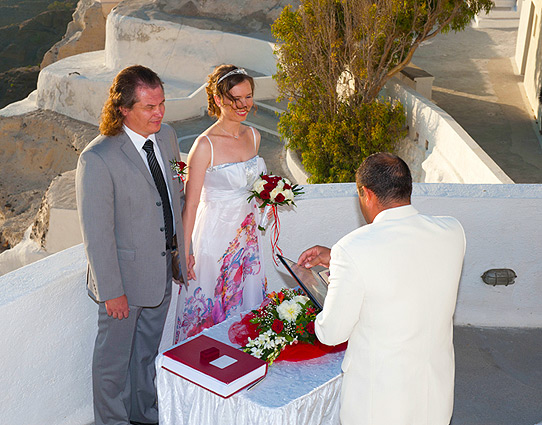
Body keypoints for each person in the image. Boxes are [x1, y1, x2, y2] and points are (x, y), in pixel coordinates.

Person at [298, 152, 466, 425]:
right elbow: (409, 264)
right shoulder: (452, 231)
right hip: (434, 394)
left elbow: (331, 333)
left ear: (367, 194)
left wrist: (320, 285)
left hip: (379, 403)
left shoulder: (353, 249)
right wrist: (338, 259)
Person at [76, 65, 188, 425]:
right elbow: (97, 233)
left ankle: (145, 416)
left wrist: (181, 255)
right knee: (112, 365)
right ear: (123, 108)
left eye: (162, 104)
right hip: (122, 284)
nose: (159, 113)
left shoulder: (168, 137)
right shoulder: (97, 158)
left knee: (145, 356)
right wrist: (112, 291)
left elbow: (174, 198)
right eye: (149, 107)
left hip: (162, 272)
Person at [173, 64, 267, 343]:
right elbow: (190, 206)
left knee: (245, 310)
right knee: (210, 310)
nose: (243, 105)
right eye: (235, 98)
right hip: (213, 241)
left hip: (247, 242)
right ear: (217, 100)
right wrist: (184, 251)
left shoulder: (254, 136)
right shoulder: (204, 146)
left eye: (248, 96)